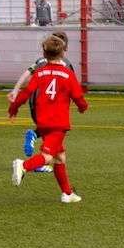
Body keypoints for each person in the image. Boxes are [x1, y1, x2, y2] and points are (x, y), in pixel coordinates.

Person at [10, 36, 88, 203]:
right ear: (63, 54)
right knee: (48, 156)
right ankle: (23, 166)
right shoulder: (68, 74)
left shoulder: (40, 72)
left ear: (44, 54)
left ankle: (67, 193)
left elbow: (27, 92)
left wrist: (14, 107)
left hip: (42, 121)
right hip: (58, 123)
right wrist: (82, 107)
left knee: (60, 156)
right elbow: (77, 96)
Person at [7, 31, 72, 166]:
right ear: (65, 49)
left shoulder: (40, 61)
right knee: (53, 134)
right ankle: (37, 163)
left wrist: (15, 90)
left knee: (50, 136)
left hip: (35, 101)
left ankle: (39, 144)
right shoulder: (66, 64)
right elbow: (70, 86)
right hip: (53, 105)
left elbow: (27, 73)